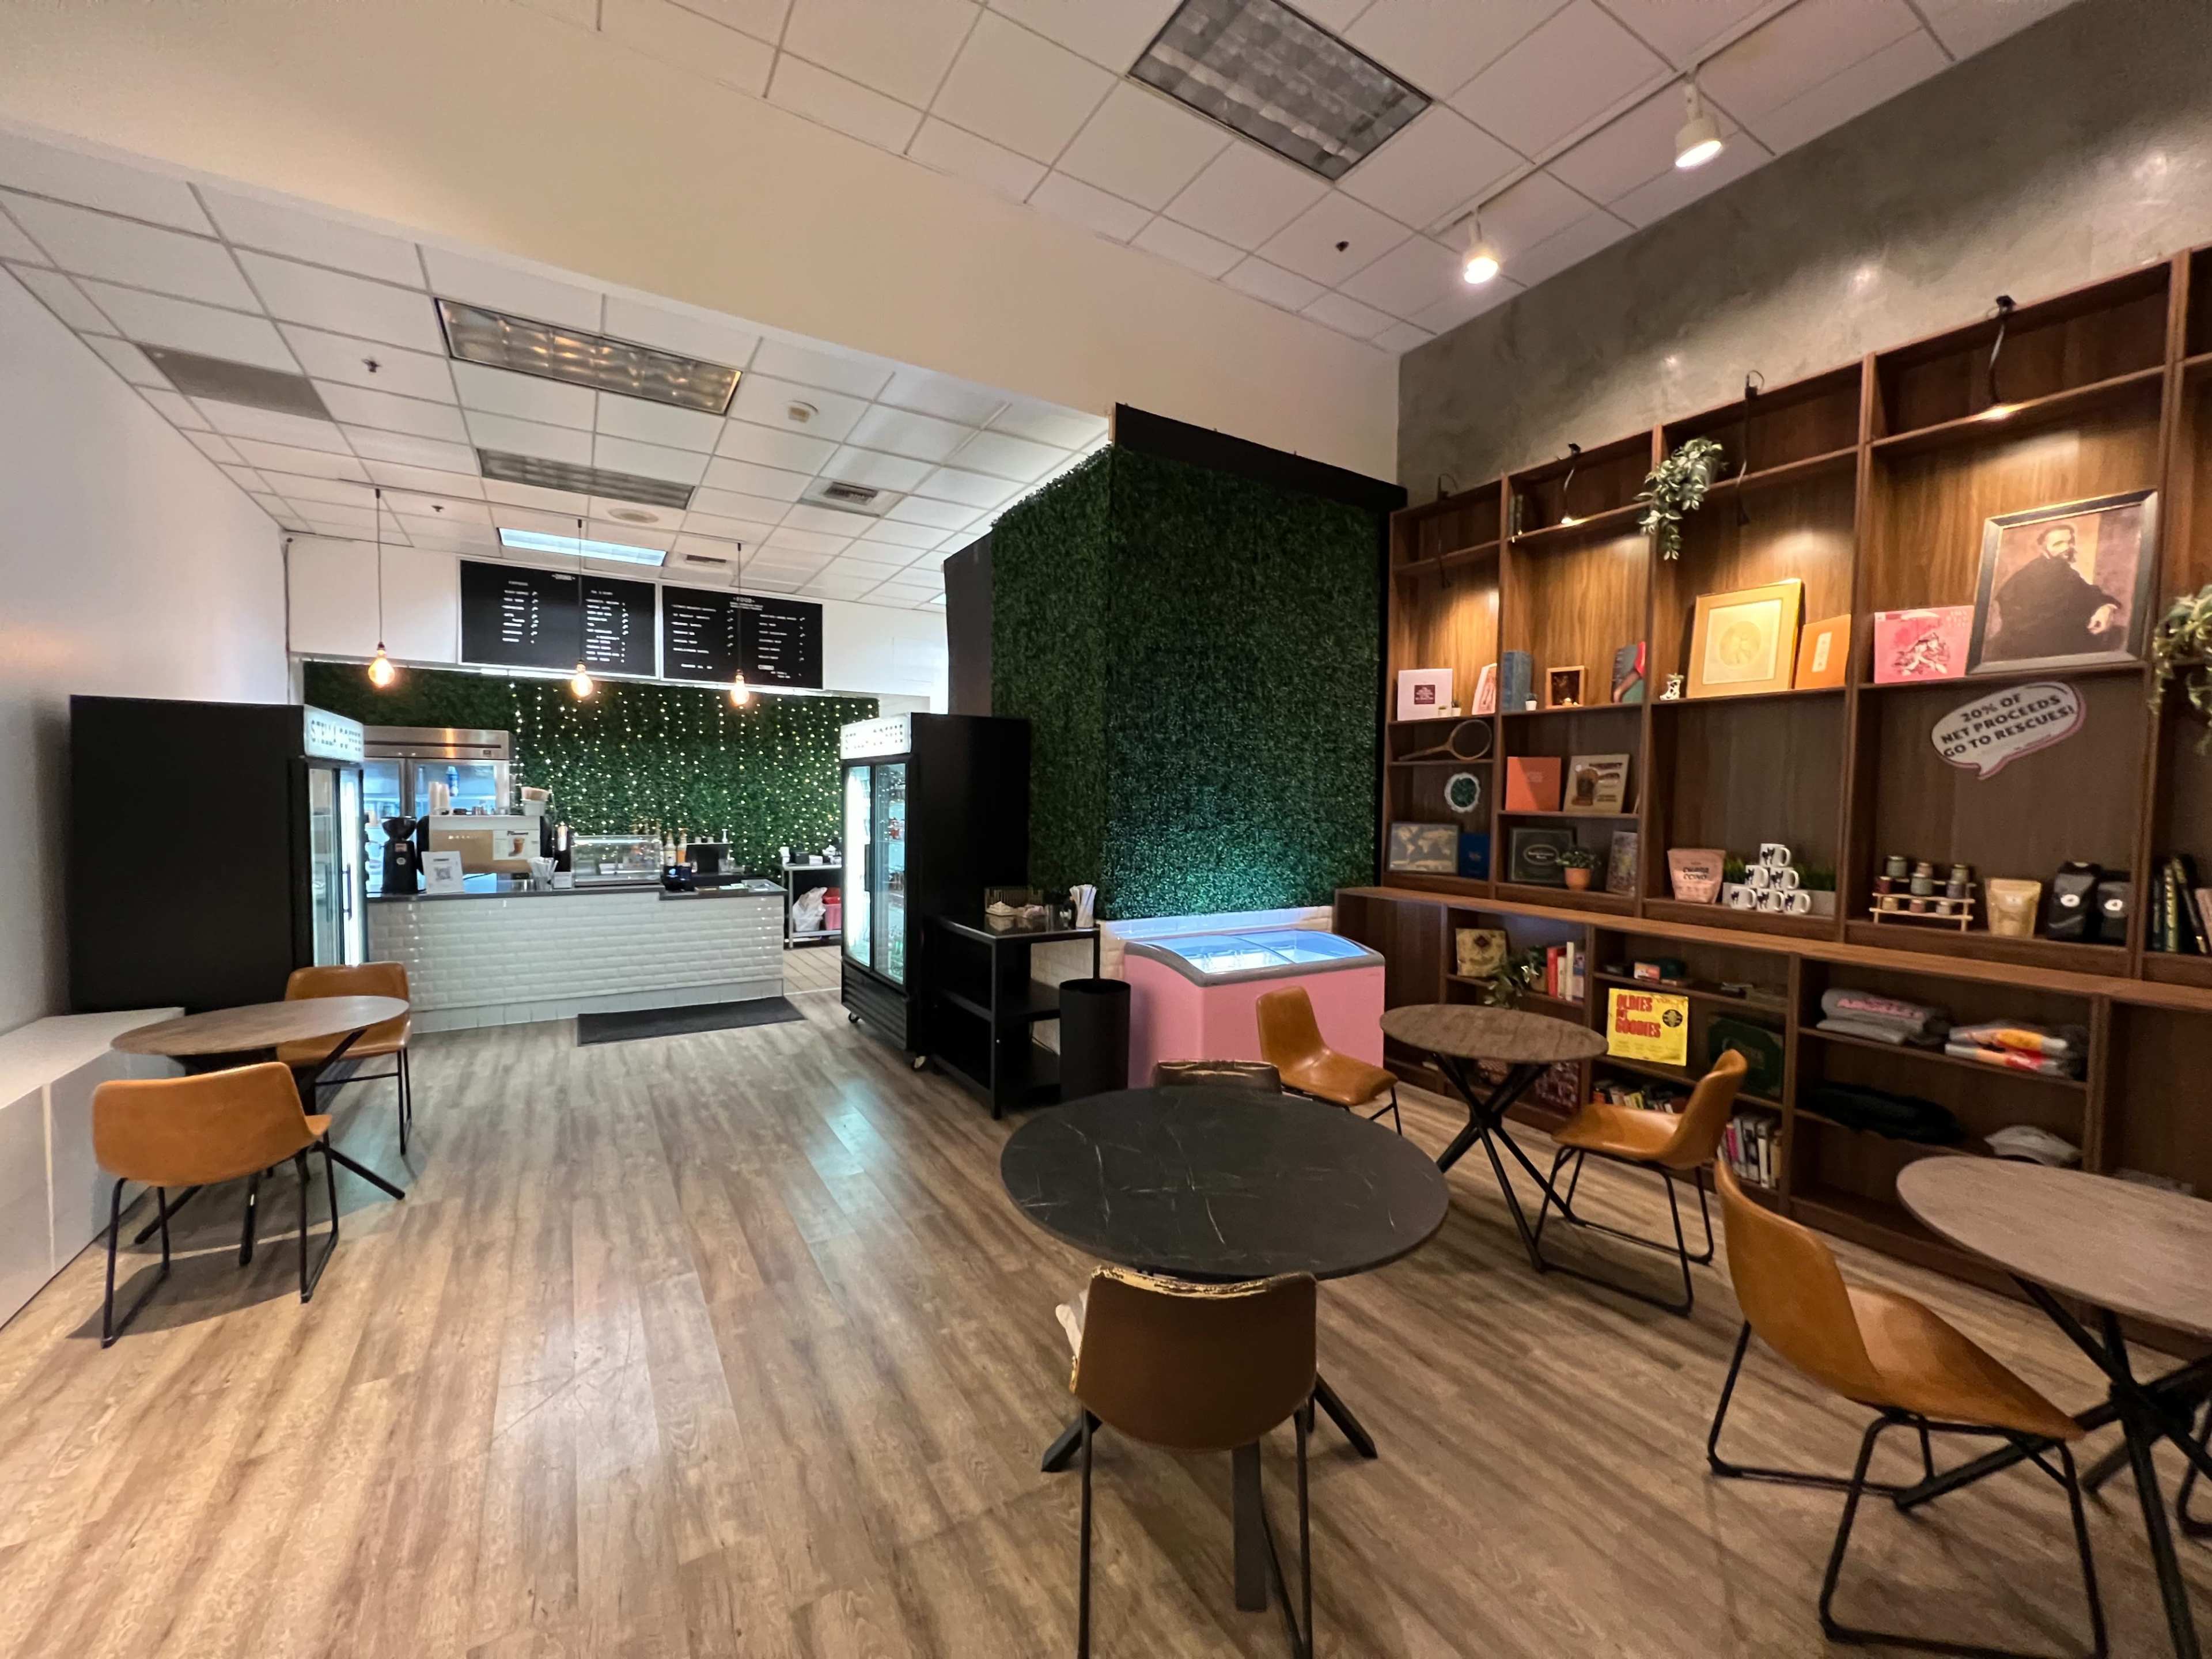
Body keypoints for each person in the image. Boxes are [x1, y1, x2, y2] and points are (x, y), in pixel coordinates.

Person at [1990, 521, 2122, 661]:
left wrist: (2106, 607)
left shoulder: (2064, 572)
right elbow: (2031, 626)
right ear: (2043, 548)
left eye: (2070, 542)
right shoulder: (2030, 576)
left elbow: (2090, 593)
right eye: (2058, 544)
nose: (2067, 547)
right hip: (2032, 652)